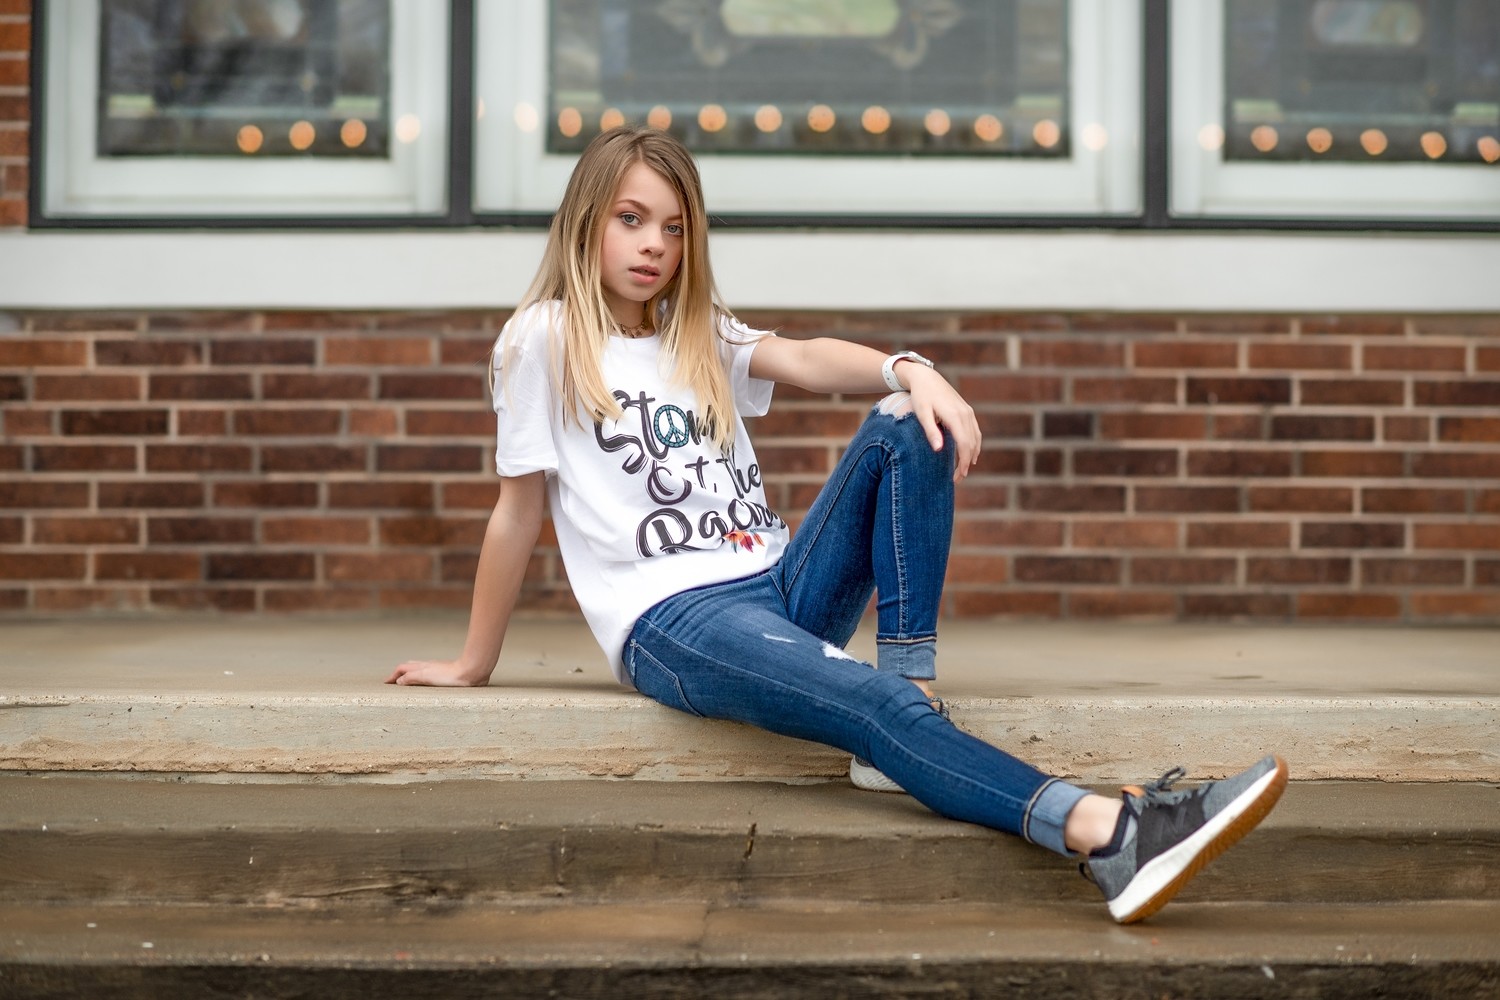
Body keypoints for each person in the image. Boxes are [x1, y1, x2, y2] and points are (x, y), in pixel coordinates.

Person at [386, 124, 1288, 924]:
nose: (655, 244)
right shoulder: (543, 338)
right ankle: (1108, 832)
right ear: (586, 222)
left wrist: (912, 368)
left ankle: (909, 685)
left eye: (674, 227)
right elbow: (517, 513)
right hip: (677, 621)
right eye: (631, 219)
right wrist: (474, 662)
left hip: (780, 584)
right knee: (874, 706)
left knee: (906, 423)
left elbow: (808, 358)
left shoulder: (695, 331)